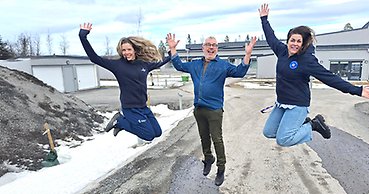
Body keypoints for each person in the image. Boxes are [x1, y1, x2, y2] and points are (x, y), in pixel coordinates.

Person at [258, 4, 369, 147]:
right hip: (281, 102)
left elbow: (330, 78)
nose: (295, 44)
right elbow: (270, 37)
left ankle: (313, 125)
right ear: (288, 41)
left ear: (303, 43)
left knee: (283, 139)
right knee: (268, 132)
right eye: (293, 40)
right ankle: (301, 124)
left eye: (299, 41)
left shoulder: (307, 60)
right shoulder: (281, 51)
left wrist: (358, 90)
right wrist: (264, 19)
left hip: (298, 104)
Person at [166, 33, 257, 186]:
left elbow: (240, 71)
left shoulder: (223, 65)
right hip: (199, 109)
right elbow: (179, 65)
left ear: (217, 48)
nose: (211, 47)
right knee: (204, 137)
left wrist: (247, 54)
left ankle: (221, 168)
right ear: (203, 48)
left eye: (214, 45)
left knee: (217, 139)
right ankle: (208, 158)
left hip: (214, 110)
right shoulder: (195, 64)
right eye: (208, 44)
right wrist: (173, 49)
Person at [79, 22, 171, 141]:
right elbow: (94, 58)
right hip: (130, 108)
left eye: (129, 49)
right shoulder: (117, 65)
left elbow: (161, 62)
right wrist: (83, 36)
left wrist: (171, 51)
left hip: (143, 106)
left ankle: (122, 123)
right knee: (149, 135)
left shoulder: (143, 65)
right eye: (123, 50)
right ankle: (120, 121)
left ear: (135, 50)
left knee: (157, 132)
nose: (126, 52)